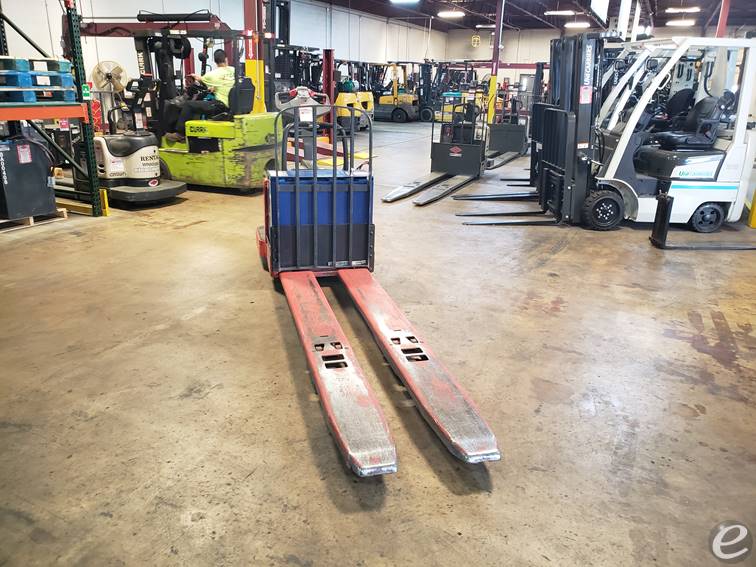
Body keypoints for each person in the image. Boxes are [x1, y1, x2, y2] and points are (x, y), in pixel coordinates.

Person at [166, 49, 235, 142]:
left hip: (221, 105)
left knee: (188, 105)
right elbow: (225, 84)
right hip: (233, 105)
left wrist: (194, 76)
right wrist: (213, 88)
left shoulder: (212, 75)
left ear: (215, 61)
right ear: (226, 59)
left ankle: (180, 134)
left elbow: (199, 79)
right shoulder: (233, 70)